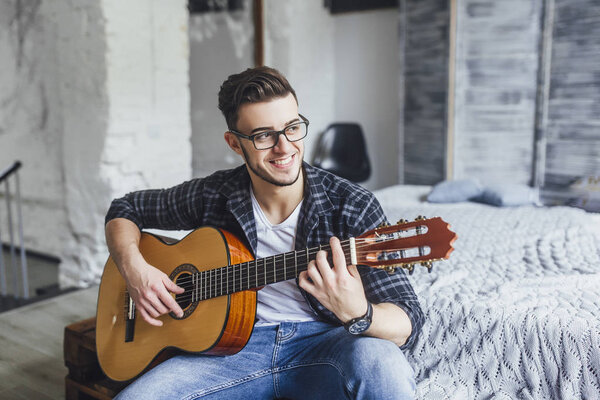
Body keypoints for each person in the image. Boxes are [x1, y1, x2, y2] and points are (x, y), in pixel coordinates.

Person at [105, 66, 424, 399]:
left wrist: (360, 312)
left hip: (327, 345)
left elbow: (408, 320)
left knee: (382, 363)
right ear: (235, 143)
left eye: (293, 128)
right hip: (229, 352)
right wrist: (135, 270)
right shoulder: (215, 193)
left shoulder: (352, 204)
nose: (284, 147)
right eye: (263, 135)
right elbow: (124, 210)